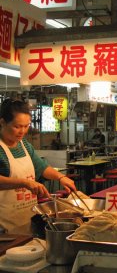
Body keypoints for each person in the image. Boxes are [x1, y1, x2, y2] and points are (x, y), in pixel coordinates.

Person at [0, 99, 76, 234]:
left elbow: (42, 167)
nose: (22, 131)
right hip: (5, 224)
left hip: (28, 216)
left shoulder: (24, 145)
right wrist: (25, 183)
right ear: (2, 122)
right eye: (17, 126)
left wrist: (61, 177)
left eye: (26, 126)